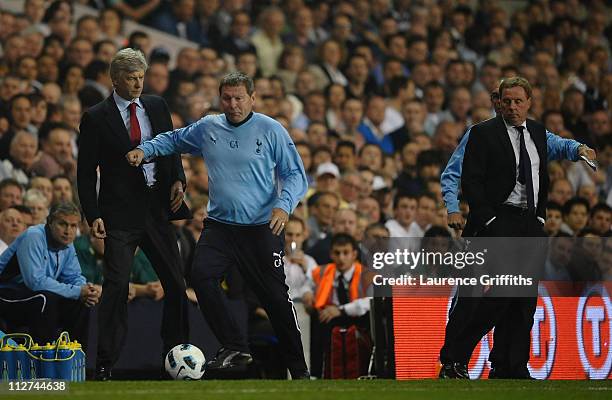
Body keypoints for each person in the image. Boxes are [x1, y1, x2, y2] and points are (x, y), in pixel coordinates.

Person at [126, 71, 310, 379]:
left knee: (276, 299)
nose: (233, 104)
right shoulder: (209, 126)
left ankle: (299, 369)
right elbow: (173, 139)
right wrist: (145, 150)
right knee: (200, 276)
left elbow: (295, 175)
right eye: (227, 98)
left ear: (253, 98)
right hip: (220, 227)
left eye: (239, 98)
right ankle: (235, 345)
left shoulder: (271, 129)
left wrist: (284, 205)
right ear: (219, 98)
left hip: (261, 228)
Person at [77, 48, 191, 381]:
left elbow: (171, 146)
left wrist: (179, 181)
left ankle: (175, 355)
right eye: (131, 77)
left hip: (156, 209)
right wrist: (92, 213)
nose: (138, 82)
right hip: (119, 215)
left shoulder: (157, 106)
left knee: (175, 282)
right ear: (115, 79)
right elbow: (85, 172)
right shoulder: (96, 117)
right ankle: (105, 363)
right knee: (115, 286)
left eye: (141, 76)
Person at [439, 77, 553, 379]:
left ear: (529, 102)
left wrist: (539, 217)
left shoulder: (539, 133)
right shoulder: (481, 133)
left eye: (519, 101)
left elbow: (543, 176)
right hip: (494, 223)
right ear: (498, 102)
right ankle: (453, 359)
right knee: (484, 296)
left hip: (529, 225)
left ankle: (510, 365)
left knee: (523, 301)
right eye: (507, 101)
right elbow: (470, 180)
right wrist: (488, 219)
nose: (513, 107)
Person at [442, 90, 596, 232]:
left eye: (514, 99)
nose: (504, 102)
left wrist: (579, 148)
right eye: (499, 97)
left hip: (528, 220)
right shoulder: (478, 134)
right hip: (491, 218)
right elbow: (453, 173)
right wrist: (453, 208)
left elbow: (561, 144)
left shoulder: (533, 132)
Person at [0, 202, 99, 349]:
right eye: (63, 224)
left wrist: (86, 290)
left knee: (81, 303)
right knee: (45, 298)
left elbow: (73, 276)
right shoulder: (33, 236)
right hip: (6, 293)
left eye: (73, 226)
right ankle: (43, 361)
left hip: (30, 294)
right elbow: (35, 282)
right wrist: (78, 291)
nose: (68, 231)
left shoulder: (67, 243)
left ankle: (77, 361)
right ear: (50, 222)